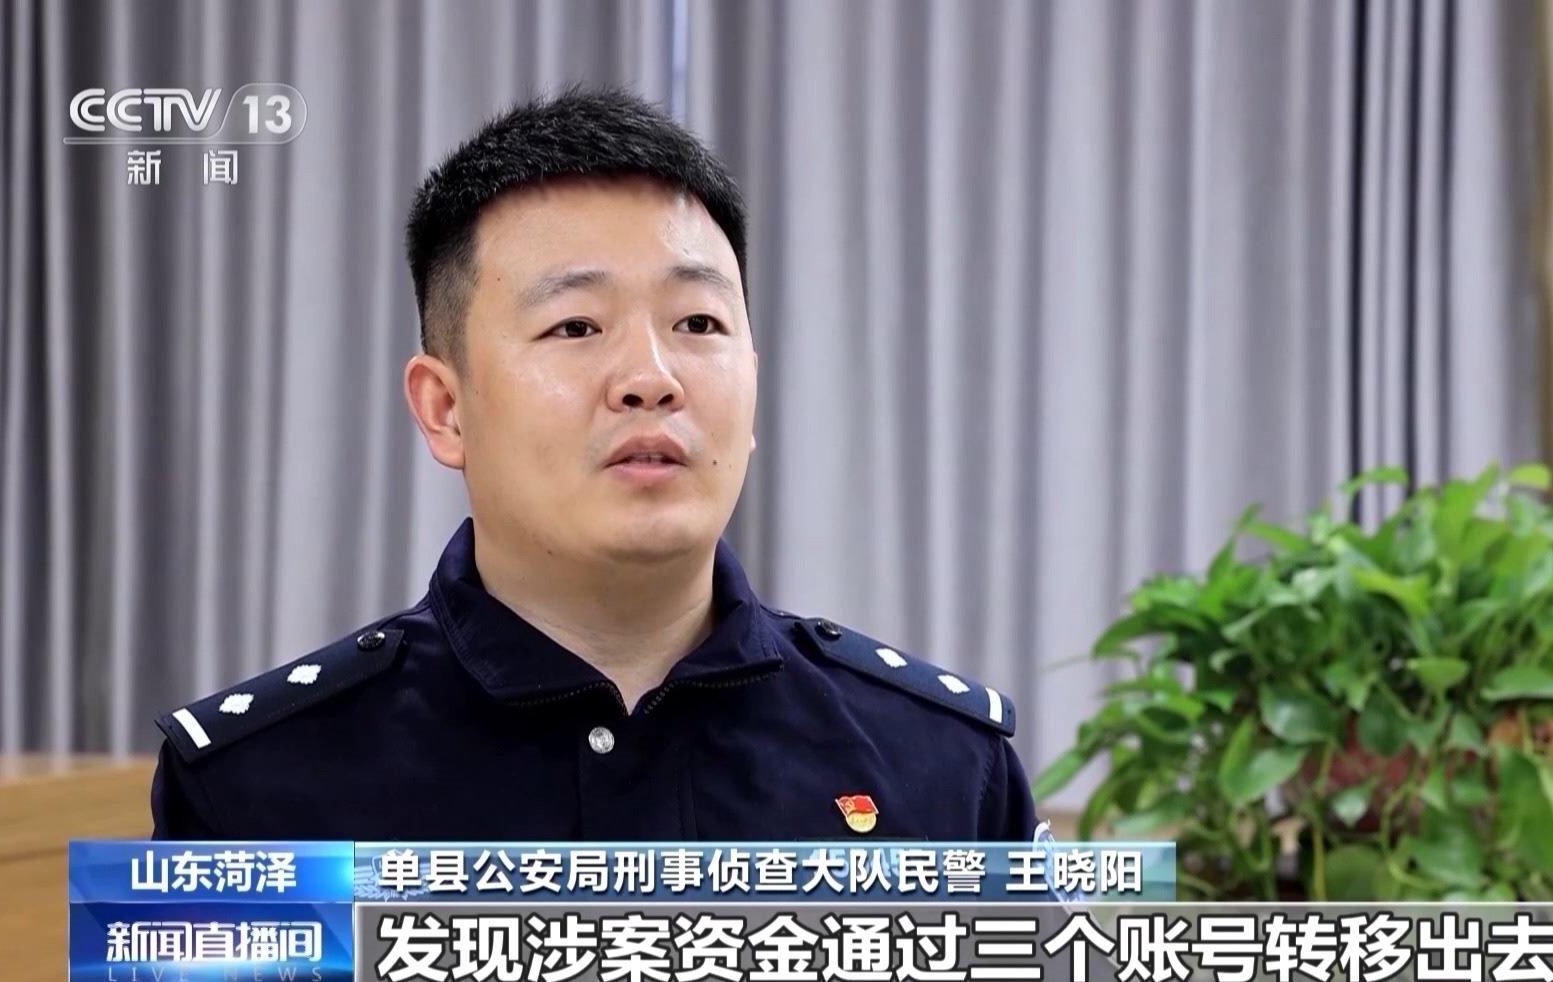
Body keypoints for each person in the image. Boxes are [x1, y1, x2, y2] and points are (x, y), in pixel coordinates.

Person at [149, 85, 1041, 843]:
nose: (652, 379)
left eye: (698, 324)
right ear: (445, 409)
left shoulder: (943, 767)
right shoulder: (258, 790)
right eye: (575, 326)